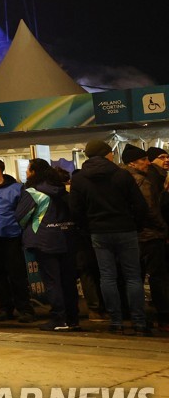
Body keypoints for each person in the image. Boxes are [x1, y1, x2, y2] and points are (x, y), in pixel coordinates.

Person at [70, 140, 151, 335]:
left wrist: (88, 228)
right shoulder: (122, 174)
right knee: (133, 276)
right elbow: (140, 205)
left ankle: (115, 321)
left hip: (98, 232)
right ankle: (139, 321)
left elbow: (75, 210)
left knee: (107, 277)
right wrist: (136, 225)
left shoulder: (79, 179)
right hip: (125, 229)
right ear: (106, 154)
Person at [16, 160, 81, 331]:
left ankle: (59, 318)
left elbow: (21, 216)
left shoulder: (33, 192)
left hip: (44, 240)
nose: (26, 172)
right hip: (67, 238)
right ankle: (73, 318)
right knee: (68, 280)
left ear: (33, 172)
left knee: (52, 281)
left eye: (28, 169)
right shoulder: (62, 189)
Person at [0, 157, 34, 323]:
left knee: (17, 275)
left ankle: (25, 309)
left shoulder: (17, 188)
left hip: (12, 237)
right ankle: (5, 308)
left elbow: (24, 211)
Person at [122, 145, 169, 332]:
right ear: (132, 163)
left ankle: (136, 317)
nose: (147, 163)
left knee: (134, 277)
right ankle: (164, 317)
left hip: (130, 236)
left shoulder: (120, 179)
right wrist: (163, 228)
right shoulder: (143, 181)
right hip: (150, 235)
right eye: (143, 160)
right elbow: (150, 210)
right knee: (158, 277)